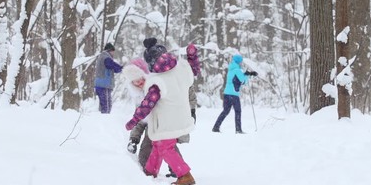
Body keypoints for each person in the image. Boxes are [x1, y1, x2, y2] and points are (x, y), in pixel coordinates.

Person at [125, 38, 200, 185]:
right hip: (180, 116)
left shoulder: (156, 82)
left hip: (166, 122)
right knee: (159, 144)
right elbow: (193, 70)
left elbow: (147, 104)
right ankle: (150, 171)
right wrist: (192, 56)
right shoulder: (180, 71)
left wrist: (133, 120)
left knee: (165, 145)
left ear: (151, 64)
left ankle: (184, 175)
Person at [212, 54, 257, 134]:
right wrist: (248, 75)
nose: (241, 63)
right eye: (241, 61)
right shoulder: (237, 70)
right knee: (238, 111)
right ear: (238, 62)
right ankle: (238, 129)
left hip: (226, 94)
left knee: (225, 111)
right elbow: (243, 81)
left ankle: (216, 127)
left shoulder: (231, 70)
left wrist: (247, 74)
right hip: (233, 94)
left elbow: (237, 79)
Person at [94, 42, 123, 114]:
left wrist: (119, 69)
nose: (113, 53)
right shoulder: (105, 57)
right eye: (113, 51)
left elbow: (113, 68)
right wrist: (121, 68)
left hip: (101, 84)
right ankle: (105, 121)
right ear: (110, 50)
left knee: (105, 105)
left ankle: (103, 120)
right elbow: (112, 65)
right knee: (106, 106)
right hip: (104, 85)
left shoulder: (103, 57)